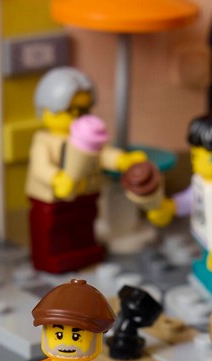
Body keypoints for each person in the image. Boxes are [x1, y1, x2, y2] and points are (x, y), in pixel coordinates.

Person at [25, 68, 142, 274]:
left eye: (84, 110)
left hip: (85, 193)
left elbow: (103, 154)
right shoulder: (44, 141)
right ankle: (53, 256)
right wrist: (56, 178)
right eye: (71, 111)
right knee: (55, 228)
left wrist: (121, 160)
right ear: (46, 109)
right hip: (52, 198)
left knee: (84, 224)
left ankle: (83, 252)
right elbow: (40, 167)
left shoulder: (88, 138)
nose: (78, 117)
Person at [145, 112, 212, 295]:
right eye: (194, 154)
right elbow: (191, 199)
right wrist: (171, 207)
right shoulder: (202, 183)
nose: (195, 158)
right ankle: (206, 277)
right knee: (205, 262)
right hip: (206, 239)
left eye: (203, 155)